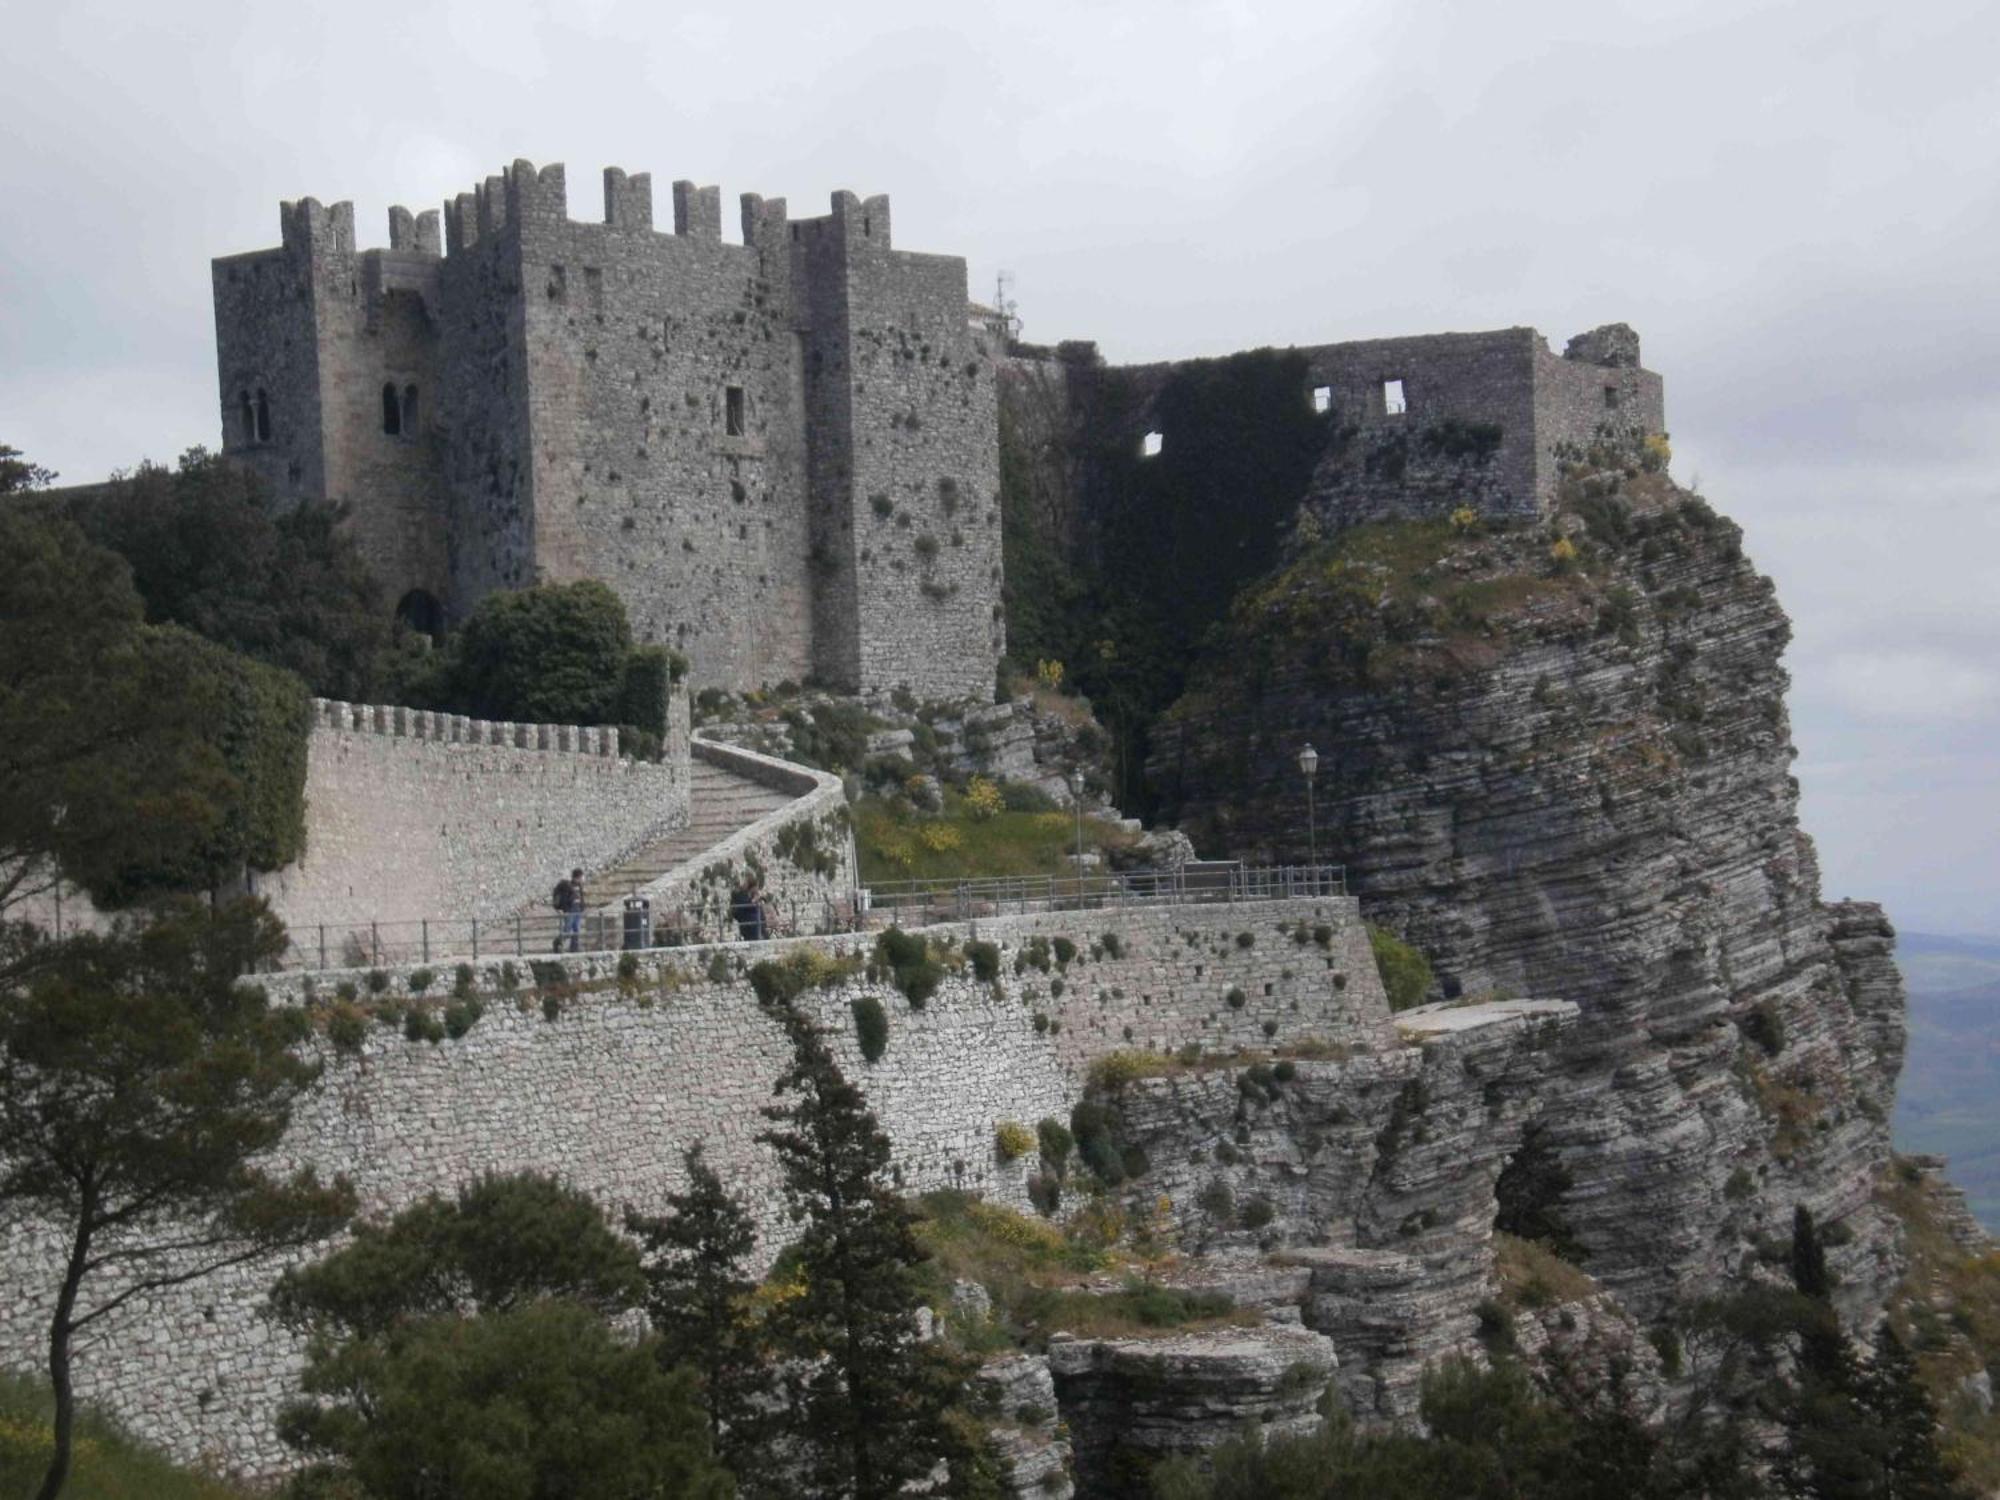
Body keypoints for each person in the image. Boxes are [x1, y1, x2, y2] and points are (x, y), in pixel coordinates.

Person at [554, 867, 586, 953]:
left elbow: (581, 897)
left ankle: (574, 948)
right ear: (578, 877)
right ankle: (558, 944)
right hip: (570, 910)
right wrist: (562, 909)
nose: (583, 878)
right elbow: (564, 899)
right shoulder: (568, 886)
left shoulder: (579, 886)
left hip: (577, 910)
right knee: (567, 930)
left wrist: (582, 906)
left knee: (576, 929)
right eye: (582, 877)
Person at [729, 877, 767, 942]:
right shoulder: (741, 895)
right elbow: (744, 907)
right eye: (756, 887)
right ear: (753, 887)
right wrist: (754, 900)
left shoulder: (751, 894)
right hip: (749, 923)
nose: (757, 889)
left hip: (757, 923)